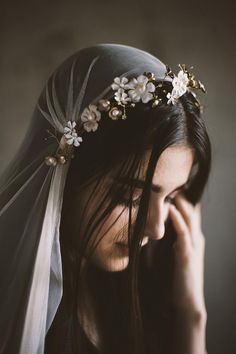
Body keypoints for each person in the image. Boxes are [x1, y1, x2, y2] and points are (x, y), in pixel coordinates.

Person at [0, 43, 211, 354]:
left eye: (171, 198)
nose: (156, 231)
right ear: (69, 173)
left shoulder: (146, 292)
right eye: (131, 196)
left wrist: (192, 316)